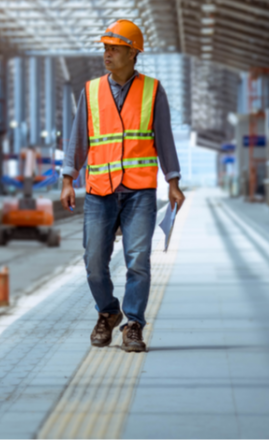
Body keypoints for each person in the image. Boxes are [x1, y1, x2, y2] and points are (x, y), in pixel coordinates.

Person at [60, 19, 185, 352]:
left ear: (133, 53)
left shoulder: (153, 90)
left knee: (138, 261)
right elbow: (78, 139)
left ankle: (133, 324)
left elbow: (165, 139)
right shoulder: (90, 91)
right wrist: (68, 178)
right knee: (93, 262)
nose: (107, 54)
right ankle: (108, 312)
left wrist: (173, 181)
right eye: (105, 48)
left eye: (114, 48)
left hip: (139, 191)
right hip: (100, 190)